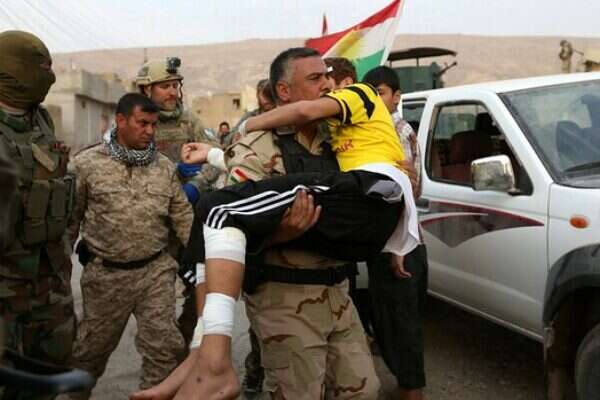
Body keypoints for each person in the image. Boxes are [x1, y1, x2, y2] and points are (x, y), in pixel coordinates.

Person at [131, 48, 382, 400]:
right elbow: (228, 235)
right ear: (284, 91)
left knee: (364, 391)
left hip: (339, 291)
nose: (327, 85)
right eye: (315, 79)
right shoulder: (257, 148)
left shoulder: (341, 139)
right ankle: (206, 359)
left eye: (327, 77)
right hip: (286, 298)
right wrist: (282, 232)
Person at [66, 93, 194, 399]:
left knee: (164, 349)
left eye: (153, 125)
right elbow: (70, 222)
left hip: (155, 272)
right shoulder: (86, 164)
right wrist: (58, 269)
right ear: (121, 120)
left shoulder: (164, 167)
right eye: (142, 123)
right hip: (106, 277)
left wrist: (203, 260)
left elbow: (183, 218)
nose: (150, 131)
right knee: (89, 353)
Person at [0, 30, 76, 400]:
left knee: (49, 375)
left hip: (50, 283)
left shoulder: (41, 120)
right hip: (5, 287)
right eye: (41, 67)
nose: (50, 76)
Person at [135, 57, 223, 351]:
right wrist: (171, 177)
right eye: (165, 86)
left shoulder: (189, 121)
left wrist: (197, 184)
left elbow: (215, 156)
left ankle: (186, 345)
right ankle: (163, 351)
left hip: (188, 220)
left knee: (200, 287)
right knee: (156, 297)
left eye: (175, 85)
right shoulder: (134, 122)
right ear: (147, 89)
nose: (172, 92)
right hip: (153, 222)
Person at [363, 65, 429, 400]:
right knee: (392, 320)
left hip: (399, 242)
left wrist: (398, 246)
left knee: (401, 324)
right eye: (370, 94)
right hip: (395, 240)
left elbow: (401, 192)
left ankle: (411, 390)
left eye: (381, 93)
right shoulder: (379, 129)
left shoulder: (393, 131)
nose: (375, 100)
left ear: (396, 97)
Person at [228, 78, 276, 146]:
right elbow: (230, 139)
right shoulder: (250, 116)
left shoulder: (284, 115)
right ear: (258, 96)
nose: (267, 98)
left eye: (269, 94)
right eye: (263, 94)